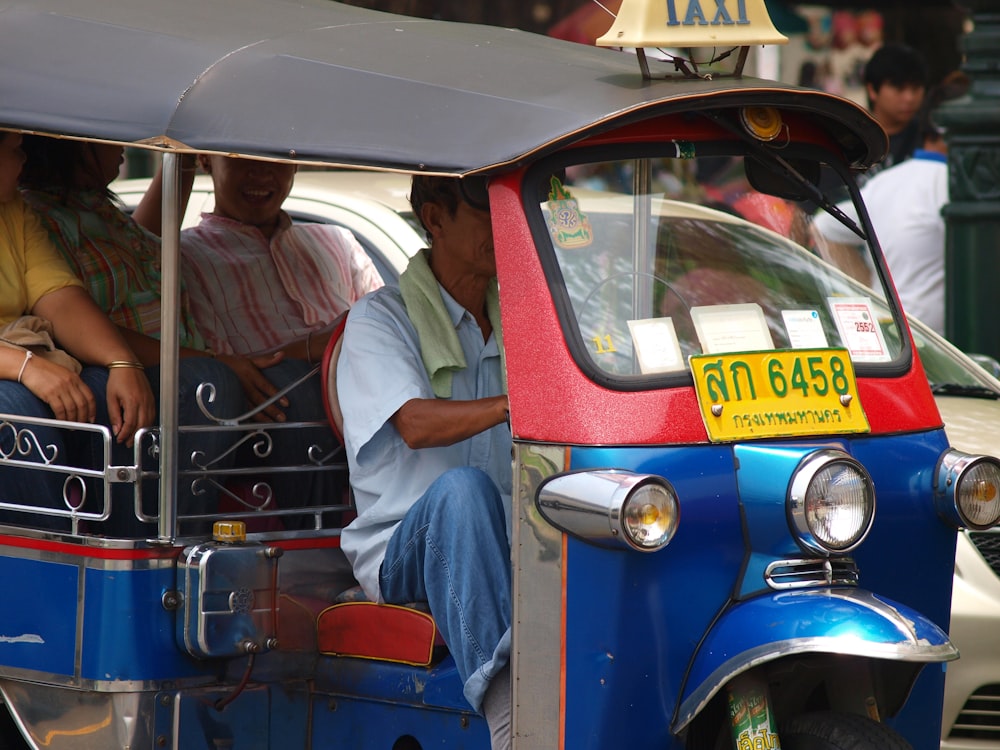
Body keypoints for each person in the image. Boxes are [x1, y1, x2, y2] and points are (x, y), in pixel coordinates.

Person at [336, 175, 512, 749]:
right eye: (487, 212)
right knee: (462, 492)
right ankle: (508, 706)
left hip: (513, 543)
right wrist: (517, 404)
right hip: (404, 551)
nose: (503, 227)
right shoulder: (379, 319)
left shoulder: (520, 318)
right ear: (435, 219)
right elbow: (414, 424)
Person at [18, 135, 245, 535]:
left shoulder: (103, 212)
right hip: (128, 374)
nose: (125, 144)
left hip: (166, 363)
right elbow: (66, 317)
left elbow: (150, 238)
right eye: (110, 136)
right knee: (209, 384)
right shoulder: (39, 216)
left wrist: (186, 154)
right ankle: (154, 547)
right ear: (70, 144)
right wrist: (129, 361)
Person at [179, 155, 384, 519]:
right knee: (293, 390)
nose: (261, 173)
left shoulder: (337, 240)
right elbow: (232, 366)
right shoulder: (187, 255)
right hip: (269, 420)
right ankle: (312, 542)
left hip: (366, 402)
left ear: (295, 165)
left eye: (276, 159)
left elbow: (387, 329)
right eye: (242, 158)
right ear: (205, 160)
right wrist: (313, 349)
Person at [0, 131, 156, 531]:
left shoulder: (13, 212)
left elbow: (60, 298)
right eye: (15, 150)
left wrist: (123, 363)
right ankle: (42, 570)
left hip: (27, 359)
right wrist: (26, 366)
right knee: (13, 408)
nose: (24, 162)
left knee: (109, 391)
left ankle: (125, 559)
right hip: (14, 373)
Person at [811, 73, 970, 337]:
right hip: (939, 347)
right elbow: (824, 228)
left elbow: (823, 227)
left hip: (896, 338)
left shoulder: (885, 182)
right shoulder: (954, 186)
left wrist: (873, 294)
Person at [860, 42, 928, 185]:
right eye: (899, 88)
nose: (909, 98)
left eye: (916, 88)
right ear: (872, 90)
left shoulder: (929, 138)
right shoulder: (850, 141)